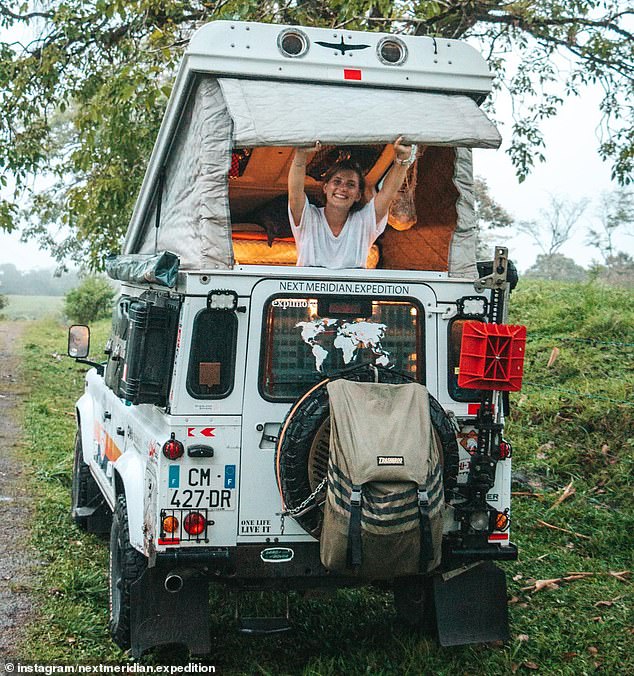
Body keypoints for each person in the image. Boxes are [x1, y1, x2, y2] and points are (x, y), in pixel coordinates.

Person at [288, 138, 416, 268]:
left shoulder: (364, 222)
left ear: (358, 195)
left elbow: (387, 192)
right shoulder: (309, 218)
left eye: (351, 184)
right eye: (337, 182)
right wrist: (301, 155)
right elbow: (294, 193)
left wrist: (403, 159)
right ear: (325, 188)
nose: (343, 188)